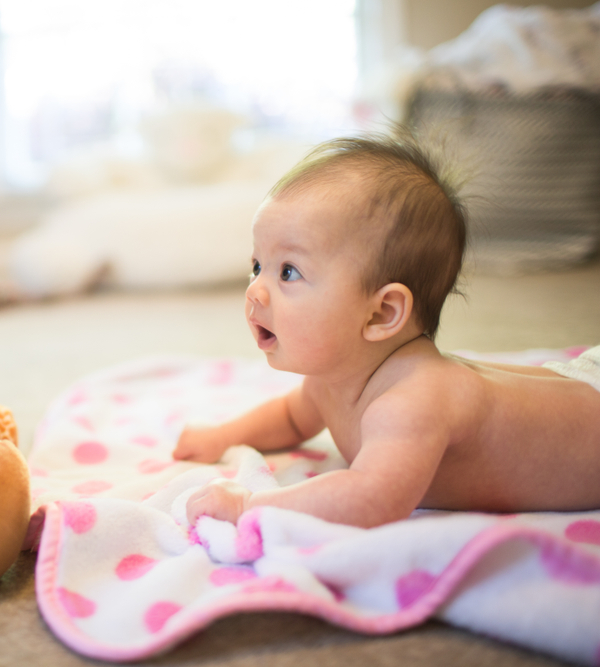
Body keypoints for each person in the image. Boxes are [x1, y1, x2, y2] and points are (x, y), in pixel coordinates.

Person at [172, 134, 600, 529]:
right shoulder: (331, 381)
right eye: (256, 266)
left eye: (288, 271)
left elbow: (370, 498)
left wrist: (248, 507)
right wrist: (222, 437)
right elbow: (288, 418)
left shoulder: (413, 401)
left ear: (381, 314)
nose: (255, 292)